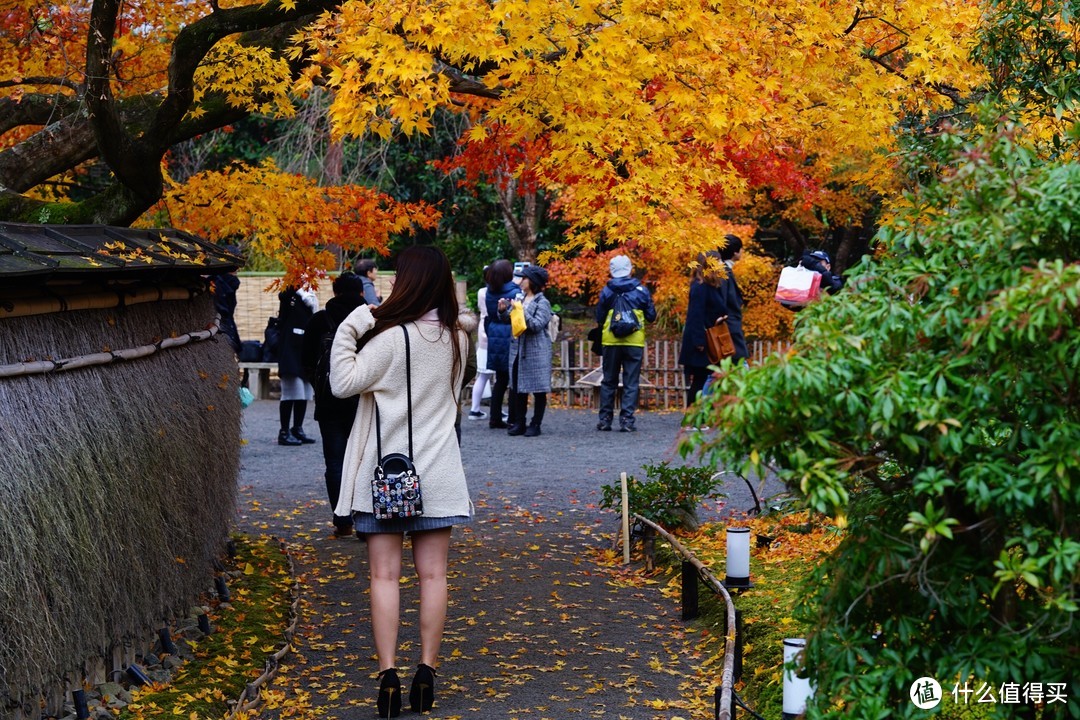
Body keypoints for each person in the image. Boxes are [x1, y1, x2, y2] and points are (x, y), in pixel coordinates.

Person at [329, 245, 471, 718]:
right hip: (440, 473)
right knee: (434, 577)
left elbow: (342, 383)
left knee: (383, 576)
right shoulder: (457, 340)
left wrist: (353, 323)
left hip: (388, 477)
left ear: (409, 282)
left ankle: (388, 676)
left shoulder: (390, 341)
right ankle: (427, 672)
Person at [302, 271, 366, 537]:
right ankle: (366, 522)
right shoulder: (370, 320)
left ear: (335, 291)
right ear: (361, 292)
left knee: (335, 461)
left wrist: (320, 388)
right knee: (365, 459)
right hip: (364, 398)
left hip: (329, 401)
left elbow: (306, 360)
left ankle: (343, 521)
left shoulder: (320, 320)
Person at [594, 254, 657, 432]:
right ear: (630, 269)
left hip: (611, 340)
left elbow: (599, 317)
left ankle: (605, 419)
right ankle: (627, 420)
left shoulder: (607, 291)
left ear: (612, 270)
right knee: (631, 381)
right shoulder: (641, 291)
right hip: (634, 341)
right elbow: (652, 317)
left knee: (609, 380)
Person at [498, 264, 553, 437]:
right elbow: (513, 321)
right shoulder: (520, 298)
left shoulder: (543, 302)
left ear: (533, 281)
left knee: (538, 390)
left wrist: (520, 310)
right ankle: (519, 422)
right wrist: (504, 311)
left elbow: (537, 325)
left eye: (525, 278)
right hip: (518, 350)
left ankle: (536, 423)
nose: (521, 281)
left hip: (536, 350)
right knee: (518, 388)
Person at [678, 251, 728, 406]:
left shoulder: (709, 285)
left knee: (705, 378)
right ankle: (693, 416)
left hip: (707, 337)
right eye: (718, 261)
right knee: (701, 379)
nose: (722, 264)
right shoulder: (701, 287)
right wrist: (699, 341)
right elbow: (695, 315)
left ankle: (699, 415)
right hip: (703, 339)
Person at [277, 286, 319, 446]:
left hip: (305, 347)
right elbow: (283, 296)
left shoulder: (311, 297)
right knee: (291, 391)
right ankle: (284, 431)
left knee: (304, 392)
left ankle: (297, 428)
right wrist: (294, 282)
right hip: (289, 348)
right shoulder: (290, 295)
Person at [483, 259, 519, 430]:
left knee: (500, 380)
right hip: (509, 334)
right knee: (514, 379)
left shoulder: (490, 291)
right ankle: (513, 418)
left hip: (495, 333)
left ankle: (494, 417)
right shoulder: (513, 291)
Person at [467, 265, 495, 421]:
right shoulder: (491, 292)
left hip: (483, 330)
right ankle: (476, 409)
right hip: (489, 332)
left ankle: (475, 408)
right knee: (485, 375)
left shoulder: (481, 292)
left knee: (483, 375)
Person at [716, 235, 749, 363]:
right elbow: (723, 300)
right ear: (735, 252)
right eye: (740, 249)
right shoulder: (724, 273)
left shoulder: (723, 271)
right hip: (729, 325)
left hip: (729, 324)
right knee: (739, 363)